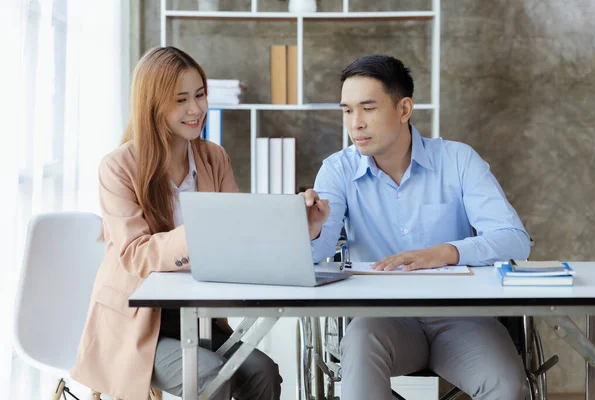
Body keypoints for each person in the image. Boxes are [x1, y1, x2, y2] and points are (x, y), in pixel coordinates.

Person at [301, 55, 531, 400]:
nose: (356, 123)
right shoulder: (337, 171)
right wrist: (313, 230)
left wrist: (446, 252)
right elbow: (317, 258)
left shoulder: (458, 160)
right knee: (359, 368)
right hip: (380, 319)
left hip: (463, 319)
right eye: (348, 111)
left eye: (368, 108)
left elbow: (515, 241)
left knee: (507, 387)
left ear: (404, 108)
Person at [70, 46, 282, 400]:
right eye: (181, 99)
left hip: (198, 315)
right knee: (210, 376)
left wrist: (296, 229)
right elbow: (135, 254)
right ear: (153, 104)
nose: (197, 109)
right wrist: (205, 229)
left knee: (263, 372)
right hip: (136, 324)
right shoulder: (118, 167)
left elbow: (238, 234)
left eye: (200, 94)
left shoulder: (214, 157)